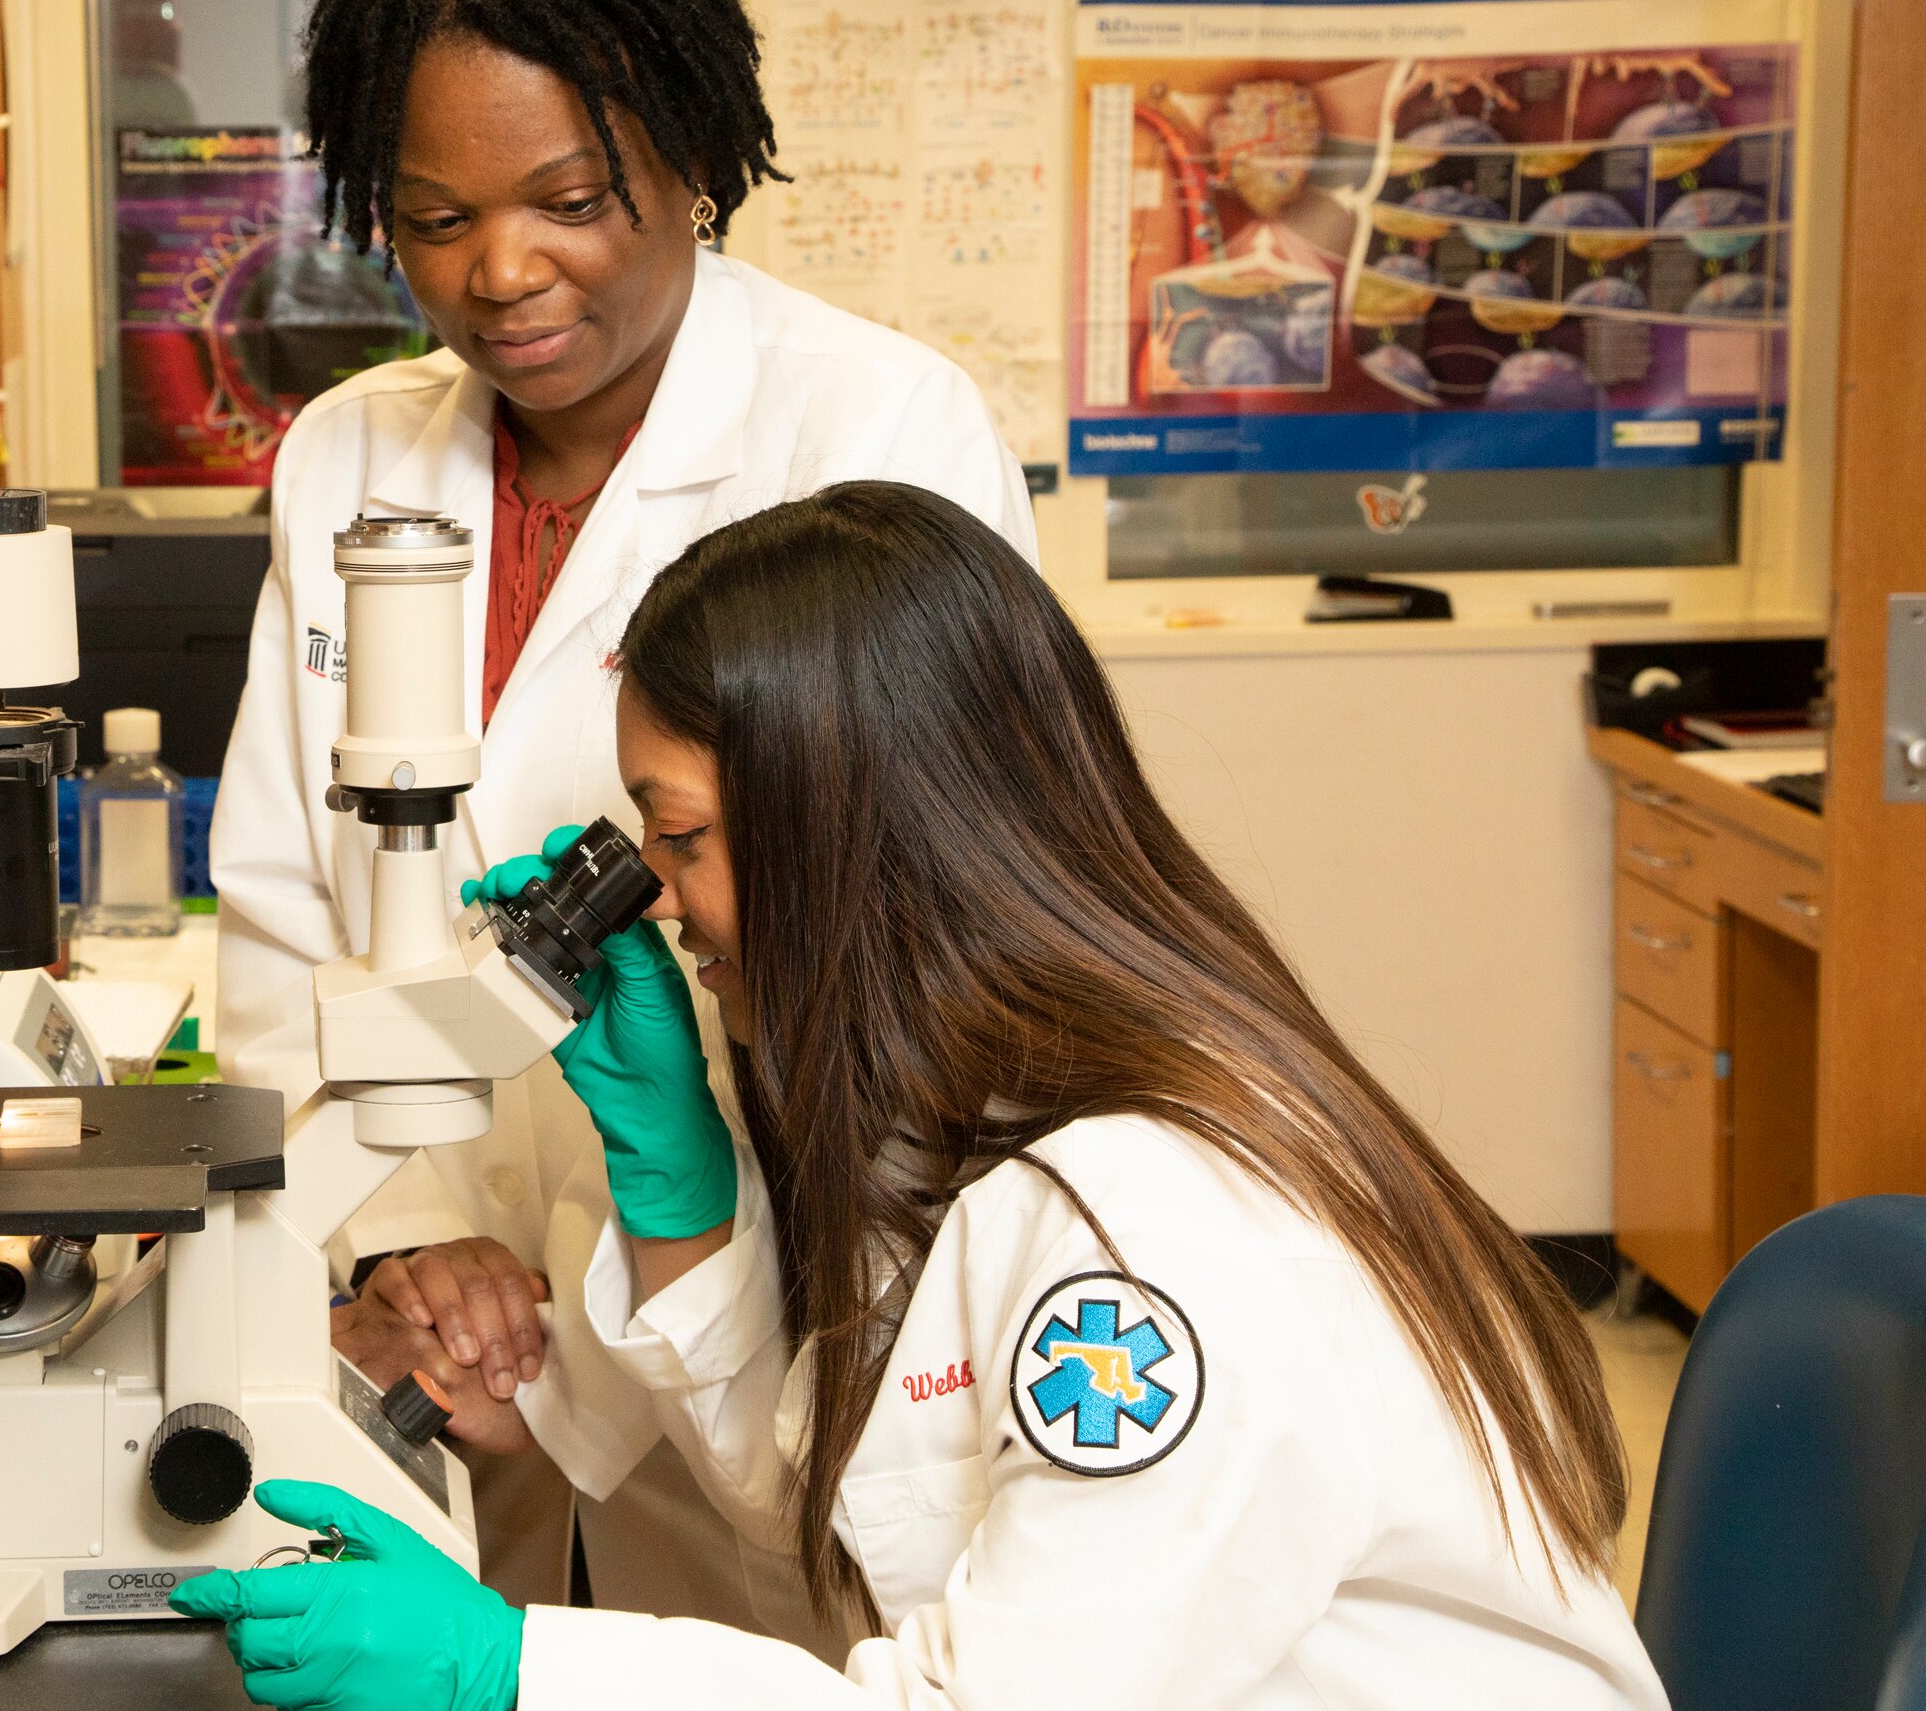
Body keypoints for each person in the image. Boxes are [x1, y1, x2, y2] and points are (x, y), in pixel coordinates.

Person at [178, 482, 1670, 1711]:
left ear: (855, 834)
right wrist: (678, 1173)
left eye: (681, 841)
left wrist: (516, 1672)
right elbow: (847, 1501)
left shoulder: (1149, 1231)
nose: (670, 909)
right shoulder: (998, 1115)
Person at [212, 0, 1037, 1641]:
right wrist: (403, 1240)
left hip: (788, 1304)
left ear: (690, 151)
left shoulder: (873, 426)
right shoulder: (351, 456)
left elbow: (942, 943)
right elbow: (285, 907)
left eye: (571, 198)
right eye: (433, 219)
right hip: (445, 1336)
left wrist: (666, 1254)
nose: (504, 272)